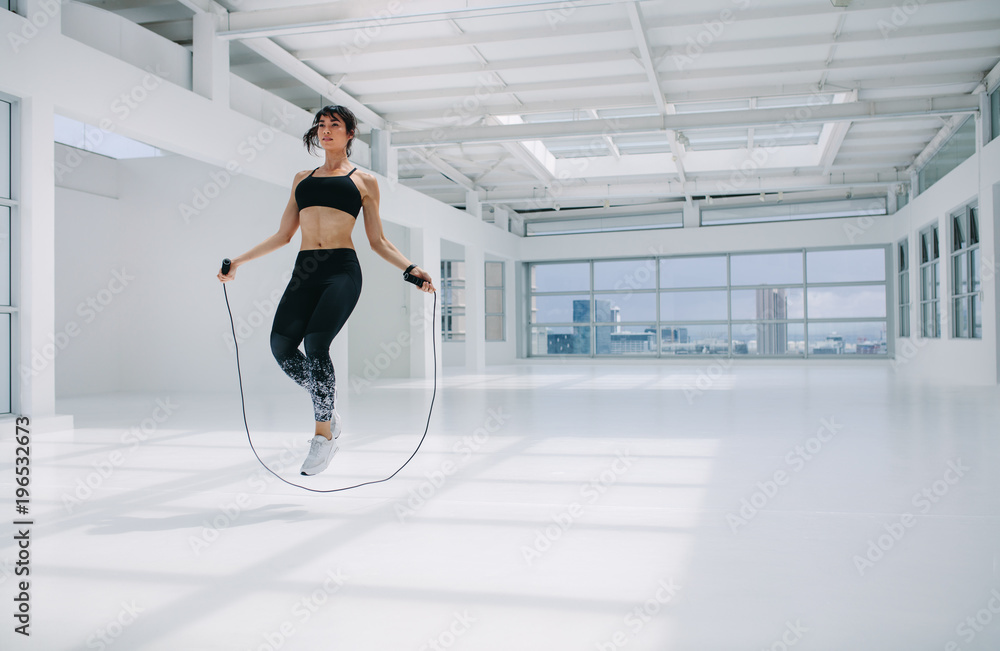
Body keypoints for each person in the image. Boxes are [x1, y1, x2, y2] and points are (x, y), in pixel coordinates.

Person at [217, 105, 435, 476]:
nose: (326, 130)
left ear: (351, 134)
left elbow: (378, 240)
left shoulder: (364, 181)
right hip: (305, 270)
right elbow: (284, 235)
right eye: (321, 125)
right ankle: (327, 403)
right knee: (280, 346)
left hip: (341, 270)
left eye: (334, 125)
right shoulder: (301, 178)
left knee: (317, 345)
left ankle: (323, 437)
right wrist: (238, 261)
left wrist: (411, 269)